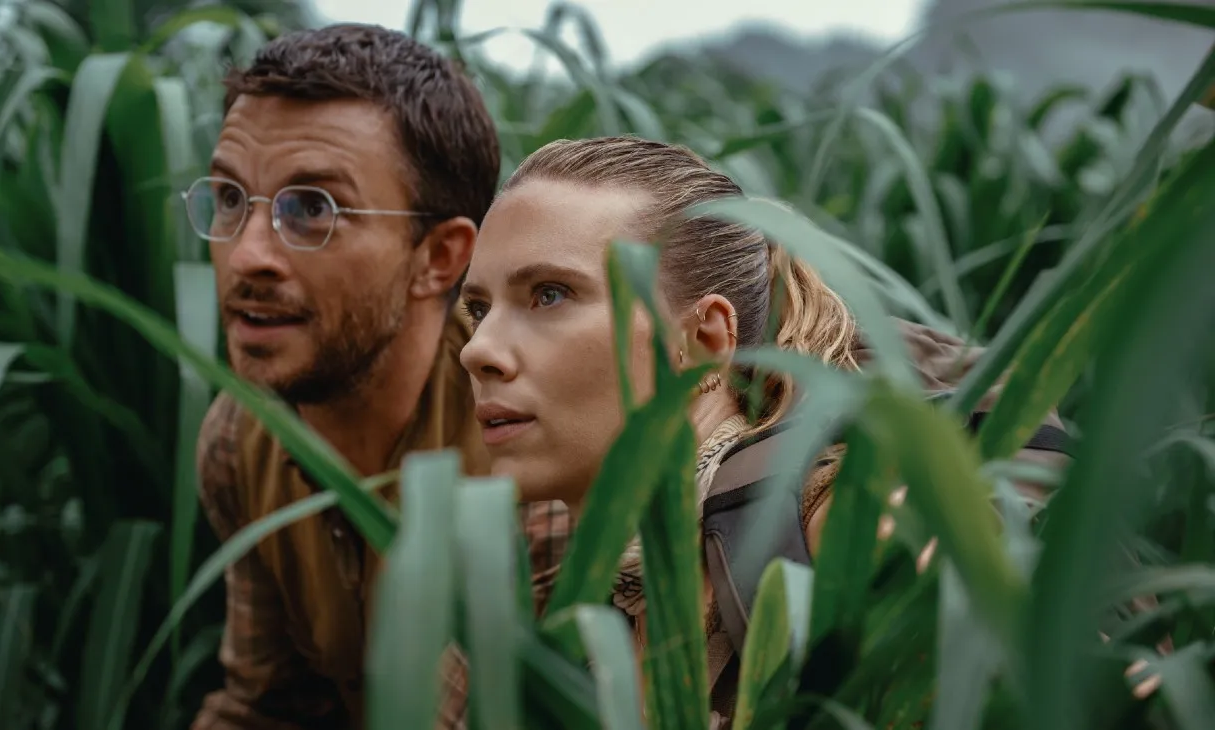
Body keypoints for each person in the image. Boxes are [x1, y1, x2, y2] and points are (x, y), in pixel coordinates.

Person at [454, 135, 1073, 727]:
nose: (477, 350)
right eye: (479, 308)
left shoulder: (850, 538)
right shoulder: (578, 591)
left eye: (550, 295)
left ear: (704, 342)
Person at [189, 23, 500, 729]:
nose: (248, 256)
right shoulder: (241, 440)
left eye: (312, 209)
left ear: (439, 258)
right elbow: (267, 706)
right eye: (230, 198)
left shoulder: (528, 446)